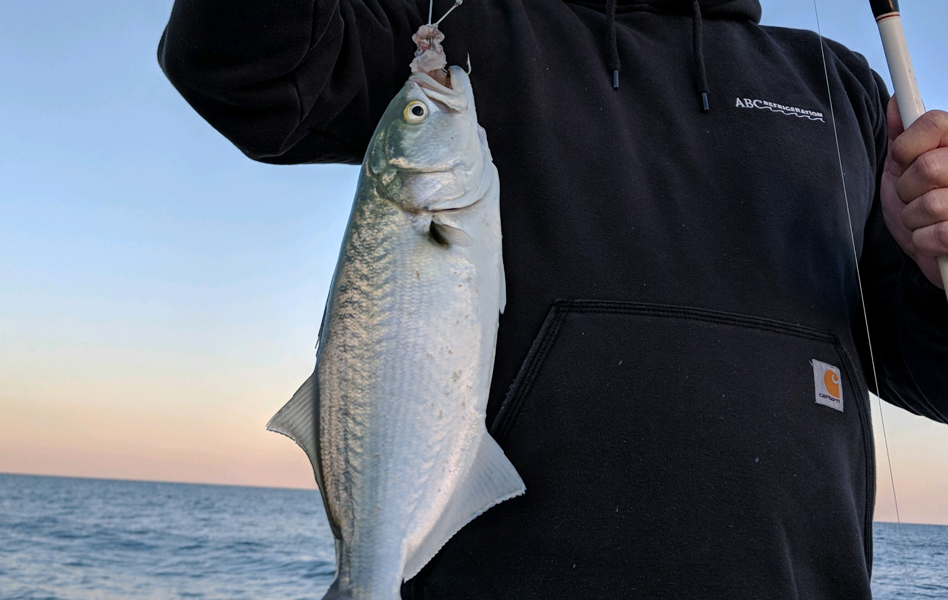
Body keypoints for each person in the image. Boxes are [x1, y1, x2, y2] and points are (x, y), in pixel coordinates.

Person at [157, 0, 948, 597]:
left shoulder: (842, 84)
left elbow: (922, 365)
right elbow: (243, 65)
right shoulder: (452, 29)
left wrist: (937, 267)